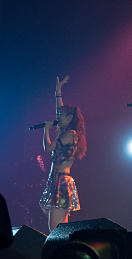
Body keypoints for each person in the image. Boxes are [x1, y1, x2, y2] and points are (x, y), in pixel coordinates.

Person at [39, 76, 86, 232]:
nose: (58, 117)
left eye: (61, 115)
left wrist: (46, 130)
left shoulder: (71, 134)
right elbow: (60, 111)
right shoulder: (66, 132)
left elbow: (48, 148)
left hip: (62, 183)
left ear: (70, 118)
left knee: (55, 227)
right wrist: (58, 92)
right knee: (59, 227)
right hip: (55, 180)